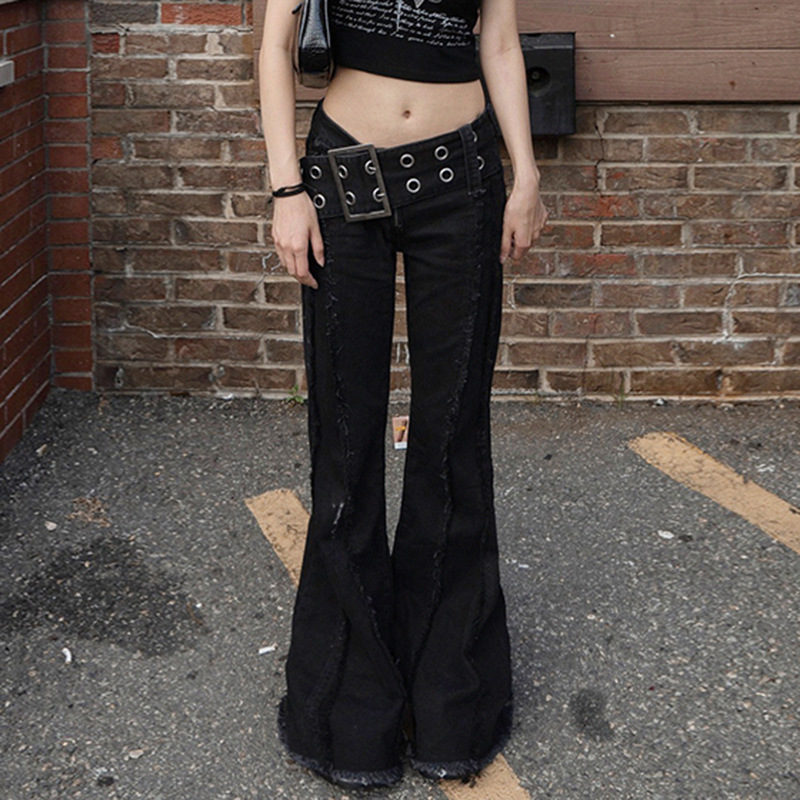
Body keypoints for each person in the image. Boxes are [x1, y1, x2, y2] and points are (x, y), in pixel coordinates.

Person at [258, 0, 548, 789]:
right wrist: (287, 191)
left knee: (452, 437)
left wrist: (525, 173)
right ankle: (349, 714)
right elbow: (275, 45)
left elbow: (499, 41)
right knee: (347, 440)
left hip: (463, 180)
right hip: (340, 177)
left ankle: (452, 702)